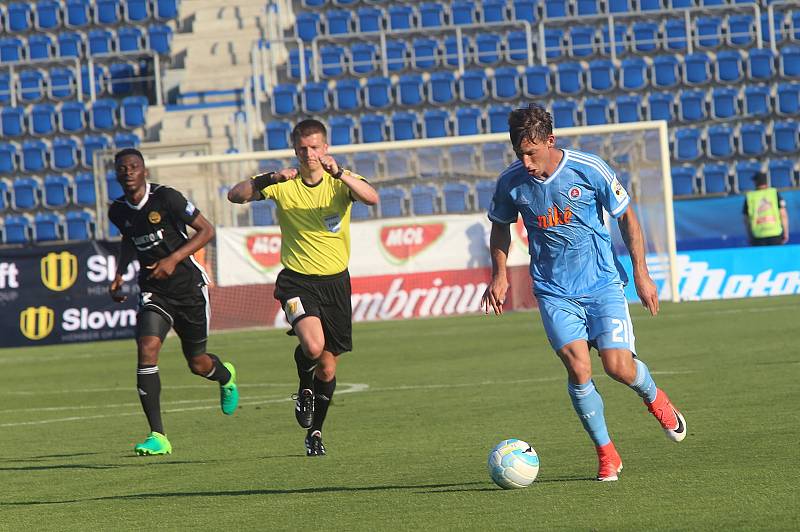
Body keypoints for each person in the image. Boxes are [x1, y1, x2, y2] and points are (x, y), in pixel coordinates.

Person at [481, 104, 687, 482]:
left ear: (550, 141)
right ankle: (606, 453)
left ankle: (655, 398)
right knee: (578, 369)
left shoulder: (588, 169)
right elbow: (500, 226)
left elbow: (626, 216)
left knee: (618, 367)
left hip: (602, 284)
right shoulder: (510, 182)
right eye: (519, 154)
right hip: (554, 291)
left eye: (532, 152)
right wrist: (499, 275)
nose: (526, 162)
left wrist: (642, 274)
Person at [226, 119, 378, 456]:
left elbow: (372, 198)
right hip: (297, 281)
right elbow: (234, 196)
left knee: (327, 365)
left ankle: (316, 432)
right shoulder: (284, 183)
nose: (309, 154)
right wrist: (269, 178)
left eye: (314, 147)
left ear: (325, 148)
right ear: (295, 150)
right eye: (303, 148)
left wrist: (340, 174)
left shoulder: (341, 181)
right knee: (312, 346)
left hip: (336, 283)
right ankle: (303, 388)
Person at [108, 148, 239, 456]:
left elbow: (207, 230)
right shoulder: (117, 210)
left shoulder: (167, 198)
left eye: (134, 166)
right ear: (116, 174)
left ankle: (225, 376)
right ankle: (158, 435)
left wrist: (172, 259)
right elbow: (129, 238)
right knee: (147, 347)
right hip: (155, 291)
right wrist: (119, 272)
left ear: (144, 172)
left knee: (197, 362)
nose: (128, 172)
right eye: (122, 168)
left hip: (189, 287)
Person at [743, 172, 789, 246]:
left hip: (758, 235)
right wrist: (786, 232)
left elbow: (746, 220)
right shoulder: (774, 193)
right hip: (775, 233)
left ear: (755, 182)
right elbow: (783, 214)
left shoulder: (750, 196)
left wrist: (749, 235)